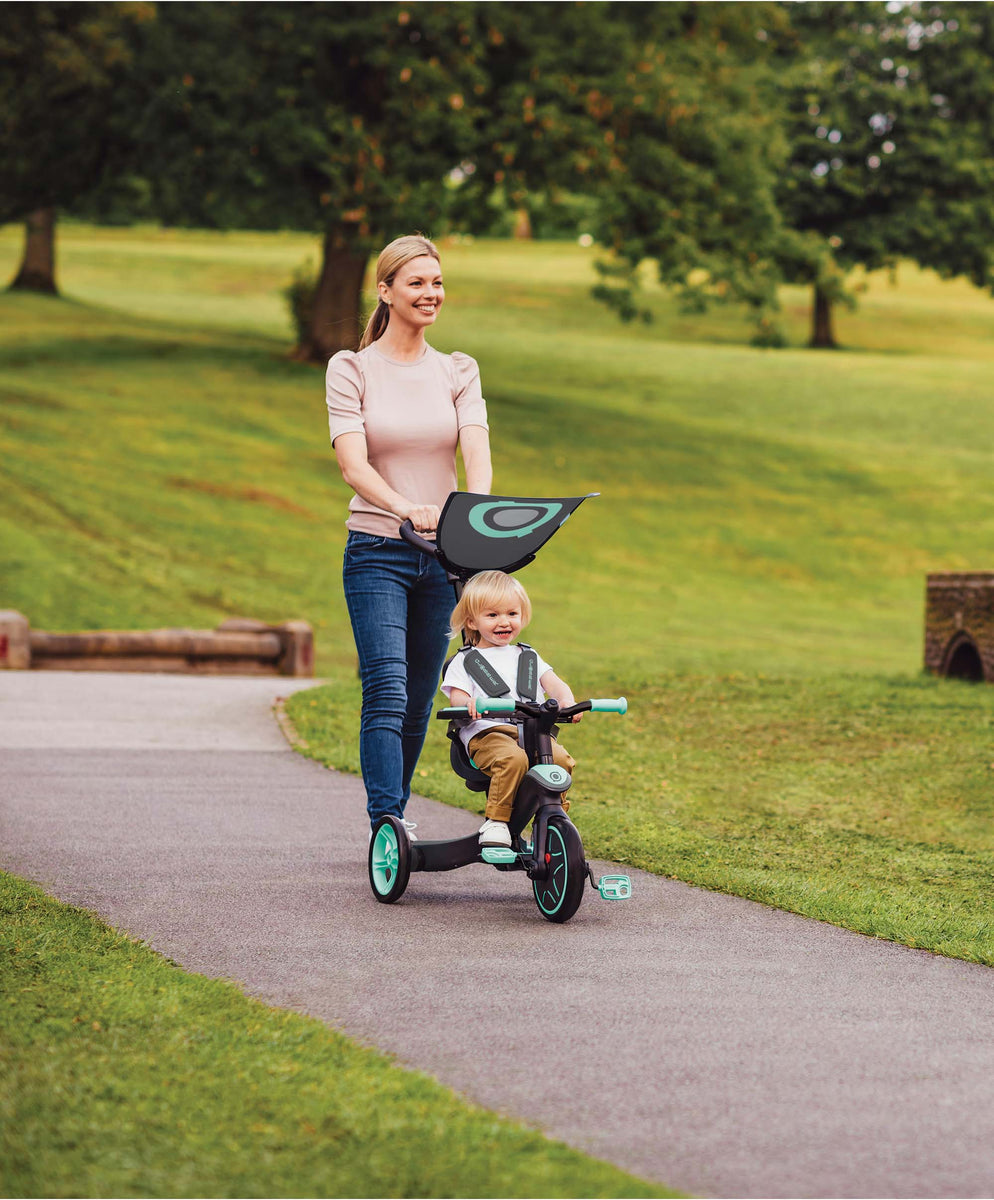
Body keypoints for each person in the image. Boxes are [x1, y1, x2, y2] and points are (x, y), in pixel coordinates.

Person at [326, 234, 493, 838]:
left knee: (422, 696)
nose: (430, 294)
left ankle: (393, 813)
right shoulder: (351, 369)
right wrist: (406, 508)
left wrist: (473, 512)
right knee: (388, 687)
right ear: (386, 290)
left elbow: (475, 442)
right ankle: (386, 823)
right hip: (378, 551)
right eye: (417, 283)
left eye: (438, 283)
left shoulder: (457, 369)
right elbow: (353, 464)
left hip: (442, 556)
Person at [441, 570, 578, 848]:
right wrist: (468, 704)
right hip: (488, 734)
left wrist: (567, 701)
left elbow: (556, 685)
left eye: (511, 614)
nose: (504, 622)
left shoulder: (527, 656)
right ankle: (497, 821)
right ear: (472, 621)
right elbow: (457, 697)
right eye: (492, 615)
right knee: (512, 760)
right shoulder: (465, 661)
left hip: (532, 733)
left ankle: (556, 818)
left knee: (561, 761)